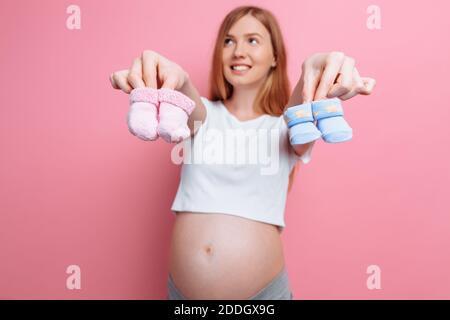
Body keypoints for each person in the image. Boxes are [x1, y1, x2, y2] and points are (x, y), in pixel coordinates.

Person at [110, 5, 376, 300]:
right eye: (228, 40)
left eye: (252, 40)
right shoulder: (203, 116)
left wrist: (311, 68)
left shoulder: (284, 128)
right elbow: (186, 94)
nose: (237, 50)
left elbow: (299, 105)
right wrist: (178, 77)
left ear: (275, 57)